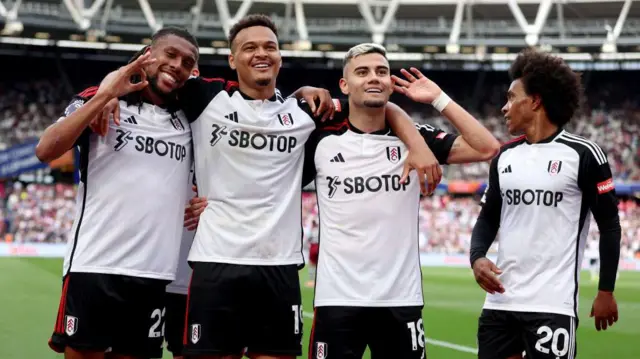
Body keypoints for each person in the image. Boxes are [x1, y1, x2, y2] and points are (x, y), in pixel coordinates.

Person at [175, 14, 440, 359]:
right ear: (231, 59)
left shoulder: (305, 112)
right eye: (249, 47)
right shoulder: (205, 97)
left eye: (270, 47)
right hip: (216, 263)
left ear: (280, 57)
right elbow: (157, 83)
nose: (261, 54)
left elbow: (374, 105)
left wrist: (417, 144)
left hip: (280, 269)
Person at [303, 43, 500, 359]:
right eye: (362, 71)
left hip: (400, 300)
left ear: (391, 83)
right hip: (336, 300)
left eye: (382, 71)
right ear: (344, 84)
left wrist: (439, 98)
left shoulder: (414, 139)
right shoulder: (321, 137)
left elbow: (487, 148)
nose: (374, 78)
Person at [38, 27, 199, 359]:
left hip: (154, 275)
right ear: (147, 55)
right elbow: (46, 149)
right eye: (170, 55)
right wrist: (104, 95)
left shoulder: (191, 118)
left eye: (188, 62)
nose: (178, 65)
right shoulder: (101, 102)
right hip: (95, 265)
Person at [470, 48, 621, 359]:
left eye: (511, 98)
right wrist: (477, 257)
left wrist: (606, 290)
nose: (504, 107)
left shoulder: (584, 154)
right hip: (500, 303)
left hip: (552, 305)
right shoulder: (503, 156)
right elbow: (488, 218)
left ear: (535, 101)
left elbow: (610, 225)